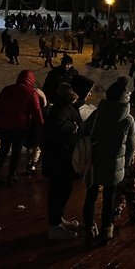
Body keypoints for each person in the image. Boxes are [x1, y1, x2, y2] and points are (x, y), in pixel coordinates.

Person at [82, 76, 135, 246]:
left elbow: (85, 133)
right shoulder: (127, 119)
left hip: (94, 161)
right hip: (115, 164)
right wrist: (127, 165)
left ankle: (89, 228)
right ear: (124, 97)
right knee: (109, 197)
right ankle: (107, 230)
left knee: (90, 197)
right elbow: (130, 147)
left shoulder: (98, 114)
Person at [43, 83, 82, 239]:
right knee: (59, 190)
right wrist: (71, 126)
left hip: (62, 157)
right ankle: (54, 226)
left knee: (64, 189)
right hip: (59, 158)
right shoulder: (61, 107)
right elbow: (57, 126)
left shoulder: (65, 105)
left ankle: (58, 220)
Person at [0, 70, 44, 184]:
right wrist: (41, 123)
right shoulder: (31, 93)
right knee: (16, 151)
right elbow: (37, 110)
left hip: (4, 125)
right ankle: (12, 175)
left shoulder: (7, 89)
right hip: (20, 126)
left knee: (4, 149)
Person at [114, 141, 135, 225]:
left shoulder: (118, 152)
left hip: (119, 179)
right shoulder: (132, 156)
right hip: (129, 181)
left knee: (119, 197)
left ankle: (116, 212)